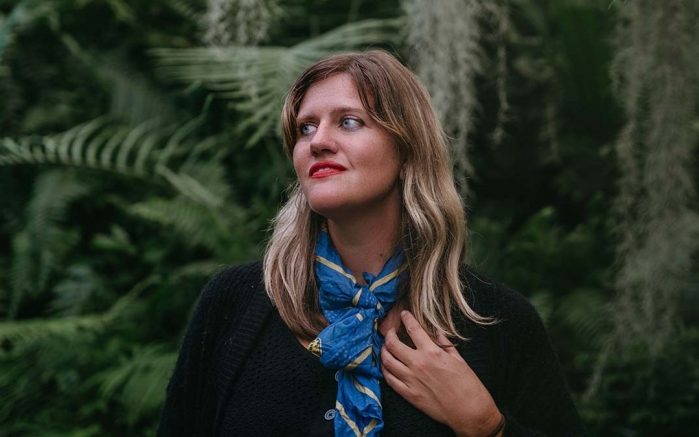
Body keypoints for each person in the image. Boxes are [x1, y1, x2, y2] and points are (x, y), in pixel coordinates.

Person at [157, 50, 584, 437]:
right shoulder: (235, 304)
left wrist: (487, 427)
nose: (318, 141)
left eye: (348, 121)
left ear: (407, 152)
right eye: (306, 128)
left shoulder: (496, 322)